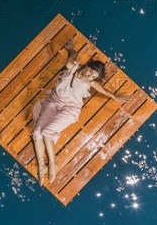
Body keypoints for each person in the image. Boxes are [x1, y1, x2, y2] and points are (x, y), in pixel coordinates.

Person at [31, 36, 131, 186]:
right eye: (90, 72)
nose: (89, 77)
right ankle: (41, 166)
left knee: (47, 132)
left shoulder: (90, 82)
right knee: (37, 133)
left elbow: (102, 89)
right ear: (87, 66)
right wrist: (71, 49)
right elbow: (72, 57)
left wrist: (115, 96)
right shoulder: (72, 67)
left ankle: (53, 164)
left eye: (93, 77)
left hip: (70, 109)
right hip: (53, 102)